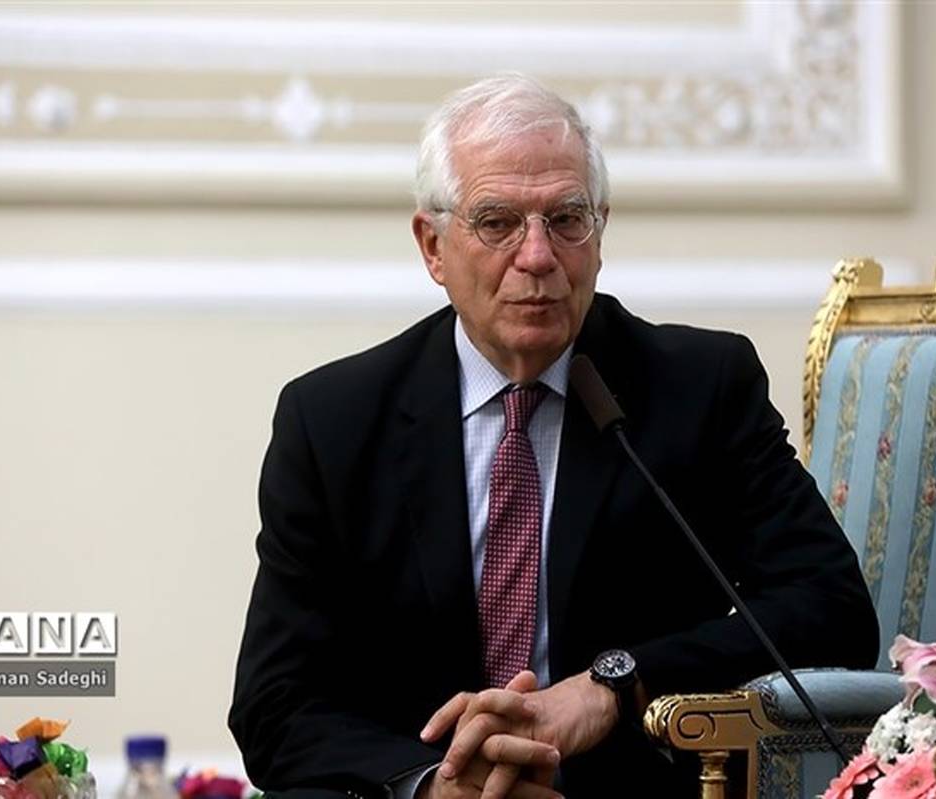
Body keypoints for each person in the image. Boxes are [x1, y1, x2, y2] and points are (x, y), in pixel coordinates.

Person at [229, 73, 878, 798]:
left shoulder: (699, 388)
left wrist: (616, 685)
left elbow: (832, 609)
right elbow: (275, 704)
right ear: (433, 246)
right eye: (497, 222)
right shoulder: (334, 421)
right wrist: (432, 784)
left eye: (567, 220)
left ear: (599, 235)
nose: (537, 256)